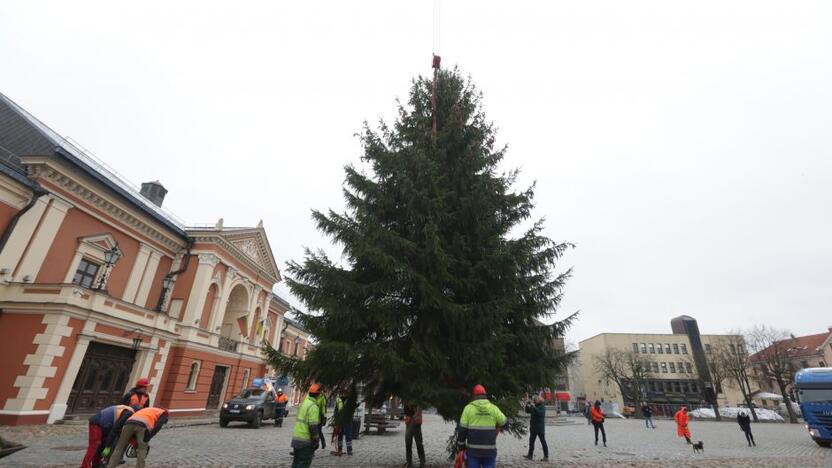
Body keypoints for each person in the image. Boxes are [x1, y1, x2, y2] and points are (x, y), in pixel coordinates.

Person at [457, 384, 507, 468]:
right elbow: (505, 423)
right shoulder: (493, 408)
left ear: (474, 396)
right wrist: (496, 431)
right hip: (489, 451)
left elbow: (462, 430)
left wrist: (461, 446)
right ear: (485, 395)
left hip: (473, 451)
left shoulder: (468, 409)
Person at [291, 384, 322, 468]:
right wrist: (316, 440)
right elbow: (313, 426)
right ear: (318, 394)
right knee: (303, 463)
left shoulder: (303, 404)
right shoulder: (313, 407)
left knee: (295, 463)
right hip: (306, 441)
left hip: (296, 439)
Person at [523, 396, 548, 461]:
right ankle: (530, 455)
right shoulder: (535, 406)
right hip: (533, 428)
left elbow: (540, 414)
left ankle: (546, 456)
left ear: (540, 401)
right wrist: (527, 404)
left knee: (543, 442)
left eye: (536, 400)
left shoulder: (542, 407)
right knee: (531, 442)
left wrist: (533, 407)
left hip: (540, 428)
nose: (534, 400)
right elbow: (527, 411)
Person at [331, 388, 355, 456]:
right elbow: (336, 410)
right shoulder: (338, 399)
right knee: (340, 435)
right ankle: (340, 449)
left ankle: (349, 450)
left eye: (346, 392)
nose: (344, 394)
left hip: (348, 420)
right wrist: (336, 419)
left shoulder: (350, 400)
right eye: (343, 392)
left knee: (348, 435)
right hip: (340, 421)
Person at [404, 402, 425, 467]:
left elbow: (419, 409)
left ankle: (422, 461)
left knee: (419, 443)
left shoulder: (417, 398)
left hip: (416, 423)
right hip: (409, 422)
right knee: (408, 443)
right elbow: (405, 410)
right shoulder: (406, 399)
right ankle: (409, 461)